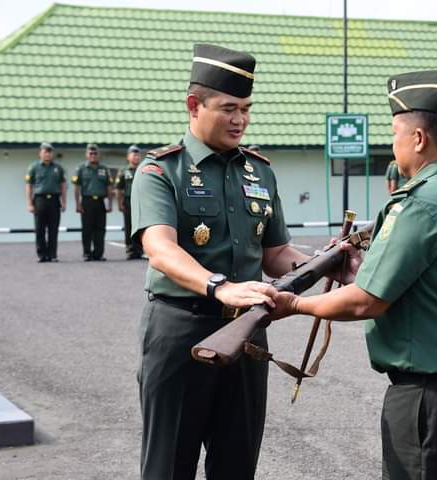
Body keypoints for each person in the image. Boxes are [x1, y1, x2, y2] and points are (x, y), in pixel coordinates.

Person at [271, 69, 437, 480]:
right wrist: (360, 273)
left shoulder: (420, 203)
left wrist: (293, 303)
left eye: (395, 131)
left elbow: (367, 301)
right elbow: (429, 283)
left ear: (418, 139)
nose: (392, 142)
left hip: (433, 399)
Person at [129, 43, 311, 480]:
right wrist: (218, 286)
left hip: (246, 334)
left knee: (237, 463)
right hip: (180, 331)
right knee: (169, 465)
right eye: (229, 108)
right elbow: (160, 247)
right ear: (194, 105)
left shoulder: (259, 172)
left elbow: (275, 255)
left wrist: (325, 265)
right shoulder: (160, 171)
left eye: (247, 109)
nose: (240, 120)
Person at [24, 142, 66, 262]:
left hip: (54, 200)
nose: (47, 154)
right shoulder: (34, 167)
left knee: (53, 229)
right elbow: (28, 186)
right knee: (40, 229)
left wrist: (63, 201)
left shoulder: (58, 168)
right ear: (40, 153)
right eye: (45, 152)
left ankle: (52, 254)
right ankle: (42, 254)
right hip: (39, 200)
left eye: (49, 152)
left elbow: (63, 185)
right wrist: (29, 203)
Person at [72, 143, 113, 261]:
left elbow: (109, 187)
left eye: (95, 153)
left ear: (98, 155)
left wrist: (109, 203)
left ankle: (98, 253)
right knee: (87, 228)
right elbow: (77, 187)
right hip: (87, 201)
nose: (93, 156)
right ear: (86, 155)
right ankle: (87, 253)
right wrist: (78, 204)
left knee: (100, 228)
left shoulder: (104, 169)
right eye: (91, 153)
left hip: (101, 201)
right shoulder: (81, 168)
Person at [115, 145, 143, 259]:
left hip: (141, 201)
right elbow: (119, 188)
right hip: (128, 200)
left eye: (138, 155)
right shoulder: (123, 171)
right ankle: (130, 250)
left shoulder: (143, 169)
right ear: (128, 157)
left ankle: (140, 250)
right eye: (134, 154)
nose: (136, 157)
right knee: (129, 226)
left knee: (141, 226)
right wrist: (119, 203)